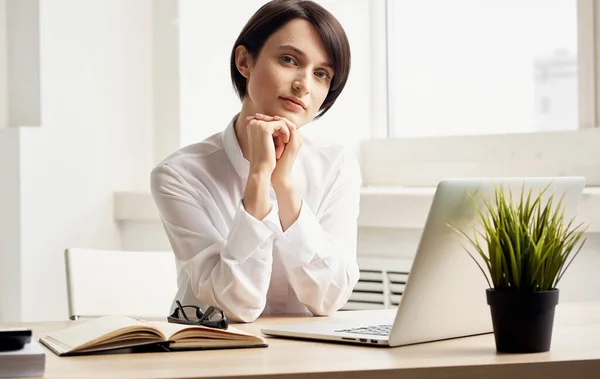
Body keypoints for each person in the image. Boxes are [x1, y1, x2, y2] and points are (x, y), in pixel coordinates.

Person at [150, 0, 361, 323]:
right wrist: (259, 178)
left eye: (321, 74)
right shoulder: (179, 175)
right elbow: (235, 306)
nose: (304, 85)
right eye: (289, 60)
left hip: (308, 360)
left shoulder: (336, 166)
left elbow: (329, 298)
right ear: (244, 61)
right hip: (212, 356)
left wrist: (284, 186)